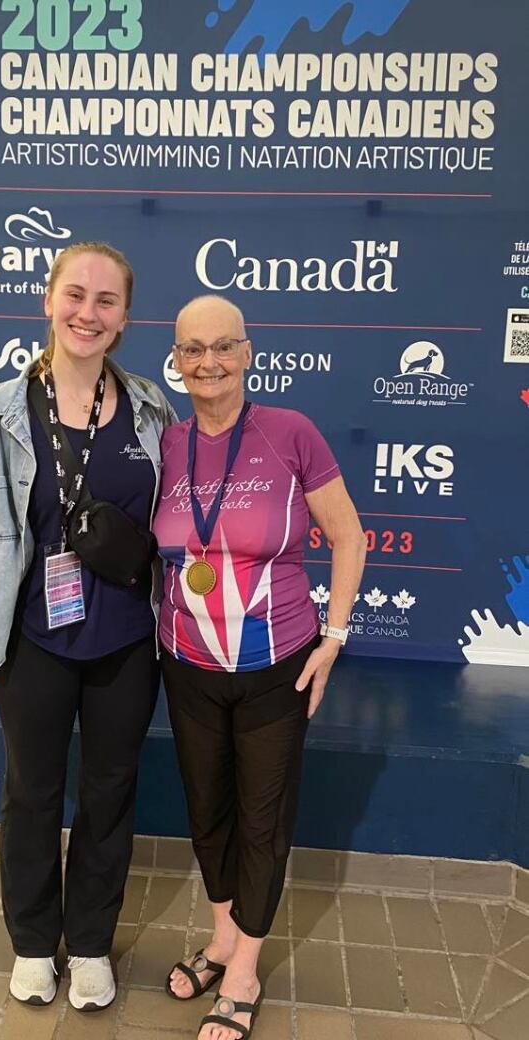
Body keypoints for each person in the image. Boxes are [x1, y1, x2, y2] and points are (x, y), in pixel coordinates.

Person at [0, 241, 176, 1012]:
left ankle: (92, 945)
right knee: (32, 794)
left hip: (126, 643)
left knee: (110, 794)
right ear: (48, 301)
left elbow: (175, 528)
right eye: (75, 295)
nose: (88, 312)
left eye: (106, 301)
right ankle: (36, 944)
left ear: (124, 320)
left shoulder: (151, 409)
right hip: (34, 640)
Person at [153, 295, 366, 1040]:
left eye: (223, 347)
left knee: (262, 821)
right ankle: (220, 937)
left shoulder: (290, 434)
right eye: (192, 350)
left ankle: (244, 970)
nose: (208, 363)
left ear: (248, 353)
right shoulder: (167, 443)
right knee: (207, 810)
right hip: (186, 664)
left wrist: (333, 638)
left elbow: (348, 536)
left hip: (277, 662)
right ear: (174, 361)